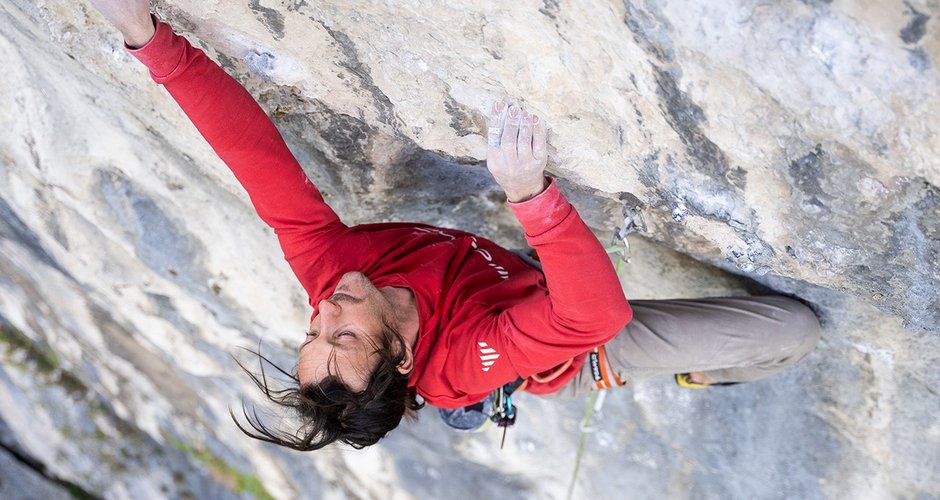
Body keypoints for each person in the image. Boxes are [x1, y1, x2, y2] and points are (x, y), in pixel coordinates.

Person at [88, 1, 822, 451]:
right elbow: (596, 316)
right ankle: (695, 374)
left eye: (312, 333)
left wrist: (147, 37)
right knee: (793, 331)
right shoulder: (459, 360)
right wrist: (530, 195)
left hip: (516, 297)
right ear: (403, 353)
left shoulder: (331, 274)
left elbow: (254, 159)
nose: (324, 311)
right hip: (569, 349)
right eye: (343, 337)